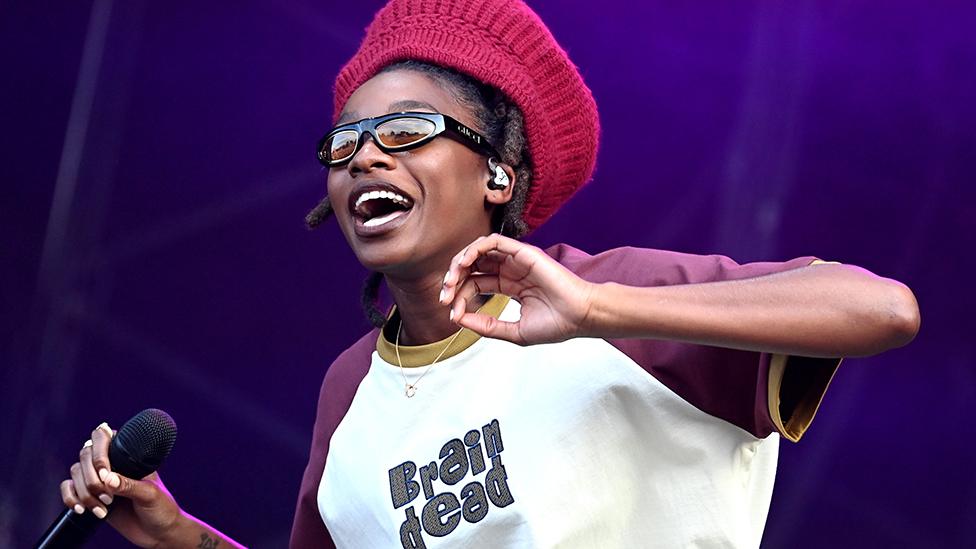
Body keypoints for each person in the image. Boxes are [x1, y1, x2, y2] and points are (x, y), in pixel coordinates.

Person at [59, 0, 920, 547]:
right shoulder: (349, 391)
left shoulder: (619, 294)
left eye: (404, 130)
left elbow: (882, 308)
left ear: (498, 176)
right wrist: (178, 536)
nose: (364, 158)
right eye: (344, 144)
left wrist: (596, 309)